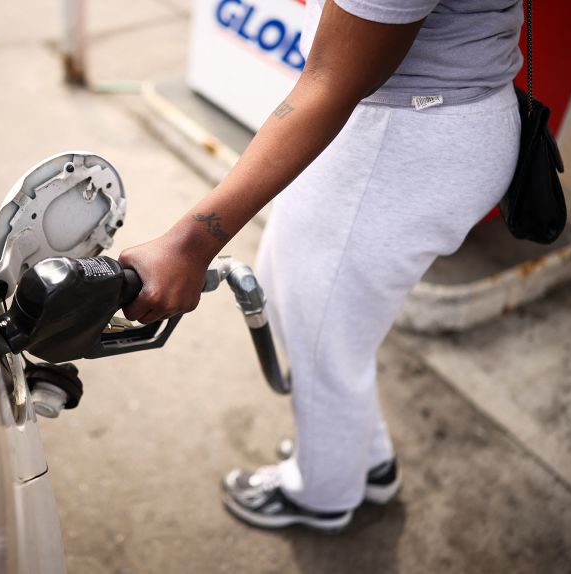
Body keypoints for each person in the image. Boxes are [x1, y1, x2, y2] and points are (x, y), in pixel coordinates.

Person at [119, 0, 523, 531]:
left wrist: (189, 244)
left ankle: (323, 493)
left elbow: (333, 80)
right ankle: (364, 461)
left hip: (401, 137)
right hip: (416, 122)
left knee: (321, 336)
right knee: (304, 306)